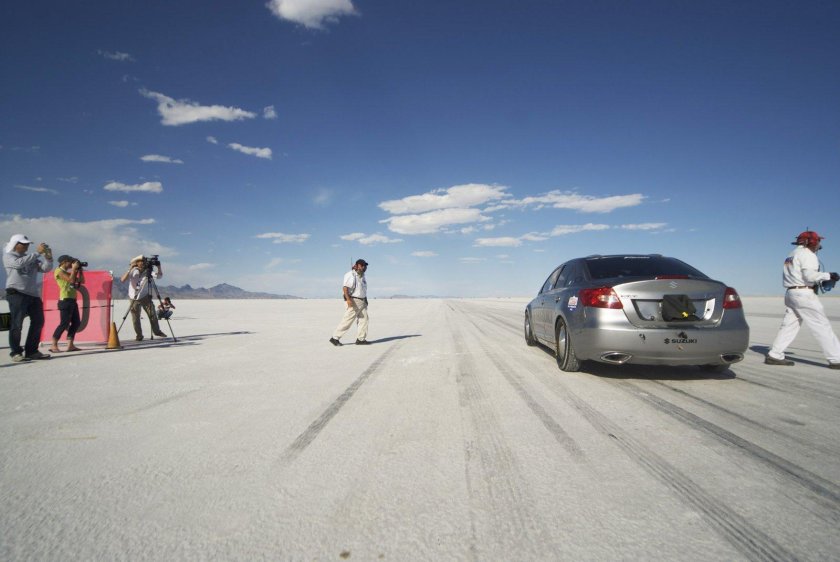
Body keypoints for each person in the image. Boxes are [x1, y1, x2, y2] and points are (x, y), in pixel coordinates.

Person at [766, 230, 840, 369]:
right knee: (821, 325)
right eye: (818, 241)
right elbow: (809, 276)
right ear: (810, 242)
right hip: (803, 294)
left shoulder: (791, 255)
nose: (819, 244)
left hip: (791, 293)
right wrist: (828, 275)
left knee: (790, 325)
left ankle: (775, 354)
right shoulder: (807, 255)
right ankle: (836, 359)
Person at [3, 234, 53, 362]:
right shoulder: (9, 256)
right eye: (23, 244)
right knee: (17, 324)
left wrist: (48, 257)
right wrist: (37, 253)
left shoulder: (30, 258)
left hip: (33, 295)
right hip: (17, 293)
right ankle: (16, 352)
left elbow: (45, 269)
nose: (26, 246)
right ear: (15, 244)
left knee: (38, 321)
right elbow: (18, 264)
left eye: (27, 244)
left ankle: (32, 350)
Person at [120, 255, 167, 341]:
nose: (142, 263)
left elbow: (159, 276)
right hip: (133, 297)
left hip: (145, 297)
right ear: (136, 263)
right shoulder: (132, 271)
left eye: (143, 261)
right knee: (135, 319)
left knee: (152, 314)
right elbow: (122, 279)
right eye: (140, 261)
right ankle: (139, 335)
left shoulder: (148, 272)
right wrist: (130, 268)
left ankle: (157, 331)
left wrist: (159, 267)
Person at [49, 255, 85, 352]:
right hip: (65, 300)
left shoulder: (69, 272)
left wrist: (79, 271)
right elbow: (70, 280)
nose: (71, 264)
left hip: (72, 299)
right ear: (64, 262)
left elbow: (82, 281)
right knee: (64, 323)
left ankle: (70, 345)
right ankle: (53, 344)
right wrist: (73, 270)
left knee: (76, 322)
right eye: (70, 262)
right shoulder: (58, 271)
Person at [330, 259, 370, 346]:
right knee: (348, 320)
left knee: (364, 319)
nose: (364, 267)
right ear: (358, 265)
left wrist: (365, 300)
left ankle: (361, 339)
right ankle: (335, 338)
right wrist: (348, 300)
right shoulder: (350, 275)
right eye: (363, 265)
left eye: (365, 266)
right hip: (354, 301)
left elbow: (362, 290)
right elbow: (345, 288)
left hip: (362, 301)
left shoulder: (362, 276)